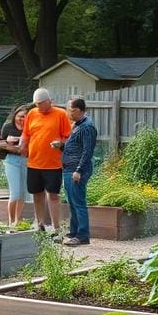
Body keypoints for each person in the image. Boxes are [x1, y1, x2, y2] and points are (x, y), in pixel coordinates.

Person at [19, 87, 71, 235]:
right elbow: (26, 133)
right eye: (36, 104)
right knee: (36, 194)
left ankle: (56, 227)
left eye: (41, 103)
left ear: (49, 101)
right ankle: (40, 224)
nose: (39, 107)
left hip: (53, 163)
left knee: (53, 195)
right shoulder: (32, 113)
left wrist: (60, 143)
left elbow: (68, 136)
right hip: (34, 162)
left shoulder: (60, 114)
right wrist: (22, 145)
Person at [61, 97, 97, 246]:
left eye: (72, 110)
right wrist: (61, 146)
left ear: (79, 110)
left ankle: (82, 235)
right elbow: (75, 146)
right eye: (68, 110)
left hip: (77, 170)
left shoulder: (87, 127)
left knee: (79, 203)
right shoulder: (76, 124)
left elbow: (87, 151)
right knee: (72, 203)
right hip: (69, 169)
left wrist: (78, 170)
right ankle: (73, 233)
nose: (69, 113)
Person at [0, 104, 29, 225]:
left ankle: (18, 220)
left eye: (24, 117)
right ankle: (11, 221)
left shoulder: (29, 128)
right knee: (15, 193)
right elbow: (2, 143)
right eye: (20, 116)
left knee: (23, 193)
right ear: (15, 116)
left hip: (26, 160)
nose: (21, 119)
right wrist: (9, 143)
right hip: (12, 160)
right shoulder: (8, 127)